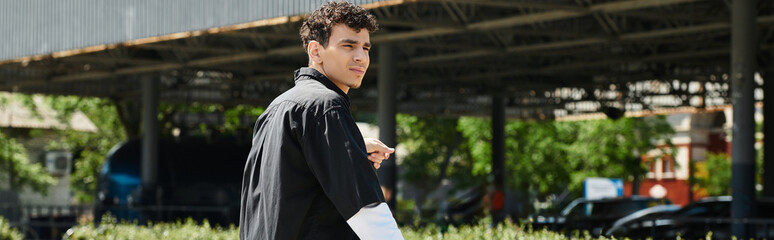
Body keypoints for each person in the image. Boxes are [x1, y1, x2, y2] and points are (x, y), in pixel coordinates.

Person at [239, 2, 403, 239]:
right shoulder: (326, 106)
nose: (361, 57)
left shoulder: (276, 108)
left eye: (366, 49)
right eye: (348, 46)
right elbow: (367, 212)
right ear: (315, 51)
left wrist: (352, 148)